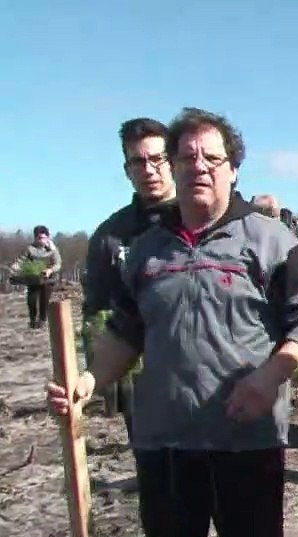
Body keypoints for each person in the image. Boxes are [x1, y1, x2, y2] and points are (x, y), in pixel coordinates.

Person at [47, 107, 298, 537]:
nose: (197, 167)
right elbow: (126, 330)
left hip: (248, 439)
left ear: (233, 167)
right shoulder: (144, 251)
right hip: (167, 441)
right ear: (172, 169)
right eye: (186, 158)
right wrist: (91, 379)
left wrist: (270, 374)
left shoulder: (272, 239)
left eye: (211, 157)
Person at [83, 117, 179, 440]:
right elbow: (97, 311)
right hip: (142, 381)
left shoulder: (203, 219)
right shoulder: (111, 237)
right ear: (127, 170)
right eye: (138, 162)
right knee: (156, 478)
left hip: (208, 379)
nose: (149, 170)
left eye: (157, 159)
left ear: (173, 161)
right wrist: (104, 375)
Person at [10, 225, 61, 329]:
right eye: (39, 238)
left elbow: (58, 264)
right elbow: (21, 260)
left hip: (49, 278)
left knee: (44, 299)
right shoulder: (30, 249)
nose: (41, 240)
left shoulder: (52, 250)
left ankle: (42, 320)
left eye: (43, 237)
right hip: (34, 278)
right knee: (32, 299)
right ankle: (33, 320)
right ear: (35, 238)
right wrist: (15, 267)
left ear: (47, 237)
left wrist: (50, 270)